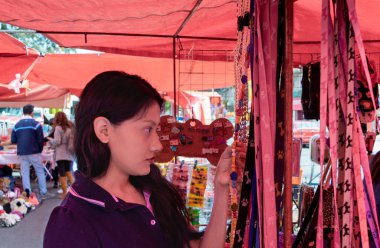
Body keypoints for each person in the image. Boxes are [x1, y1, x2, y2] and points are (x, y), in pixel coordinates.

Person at [44, 71, 245, 248]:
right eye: (147, 129)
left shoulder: (154, 192)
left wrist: (221, 187)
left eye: (156, 130)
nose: (157, 145)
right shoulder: (73, 222)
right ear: (104, 130)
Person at [1, 104, 51, 199]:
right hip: (35, 152)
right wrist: (39, 150)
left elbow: (13, 140)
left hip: (22, 152)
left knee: (24, 173)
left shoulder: (17, 125)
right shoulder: (36, 124)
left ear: (23, 112)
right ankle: (43, 192)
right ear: (32, 113)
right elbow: (40, 140)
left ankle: (27, 193)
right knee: (40, 171)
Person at [47, 112, 75, 198]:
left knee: (62, 174)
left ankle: (65, 193)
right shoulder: (70, 128)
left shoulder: (58, 128)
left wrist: (50, 141)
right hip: (69, 153)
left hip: (61, 154)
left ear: (57, 119)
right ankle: (76, 192)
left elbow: (57, 141)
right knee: (69, 172)